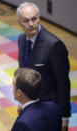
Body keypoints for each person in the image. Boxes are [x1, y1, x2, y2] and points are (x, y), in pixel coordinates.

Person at [16, 2, 71, 130]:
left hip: (49, 110)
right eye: (26, 20)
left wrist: (64, 117)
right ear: (19, 22)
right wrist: (21, 102)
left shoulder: (54, 45)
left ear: (39, 17)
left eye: (34, 19)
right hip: (30, 108)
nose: (31, 24)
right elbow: (24, 73)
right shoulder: (21, 39)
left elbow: (63, 84)